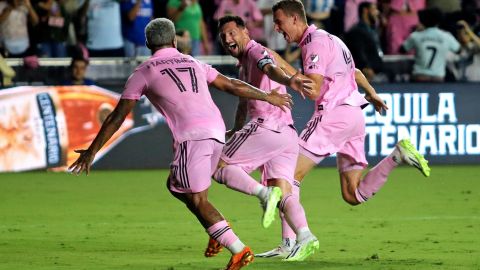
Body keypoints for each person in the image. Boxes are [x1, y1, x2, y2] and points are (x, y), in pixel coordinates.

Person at [68, 18, 293, 270]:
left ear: (147, 44)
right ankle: (216, 230)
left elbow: (118, 115)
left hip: (192, 136)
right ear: (174, 41)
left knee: (192, 196)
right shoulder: (193, 62)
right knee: (180, 186)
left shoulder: (144, 71)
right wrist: (267, 96)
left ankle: (239, 250)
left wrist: (92, 151)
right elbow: (231, 84)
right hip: (217, 132)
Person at [257, 0, 431, 257]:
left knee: (285, 176)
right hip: (354, 116)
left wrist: (281, 63)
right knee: (353, 193)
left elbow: (314, 89)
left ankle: (293, 242)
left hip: (333, 115)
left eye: (280, 22)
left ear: (295, 19)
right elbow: (355, 72)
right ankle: (397, 155)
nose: (277, 28)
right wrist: (371, 93)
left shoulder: (313, 44)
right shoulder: (332, 39)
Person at [203, 15, 318, 262]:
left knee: (217, 165)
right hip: (286, 134)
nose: (227, 39)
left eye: (232, 32)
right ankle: (302, 237)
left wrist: (284, 83)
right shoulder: (244, 62)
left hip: (267, 126)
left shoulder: (255, 52)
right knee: (284, 191)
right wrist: (235, 129)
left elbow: (270, 67)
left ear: (245, 31)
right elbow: (245, 99)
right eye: (223, 36)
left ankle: (263, 194)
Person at [400, 8, 460, 82]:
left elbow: (402, 49)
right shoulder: (446, 36)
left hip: (419, 76)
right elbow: (458, 50)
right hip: (438, 77)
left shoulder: (416, 36)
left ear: (423, 22)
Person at [345, 1, 383, 81]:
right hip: (366, 75)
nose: (377, 12)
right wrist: (366, 67)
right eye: (374, 9)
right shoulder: (356, 31)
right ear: (365, 11)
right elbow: (359, 51)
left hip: (377, 72)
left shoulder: (373, 30)